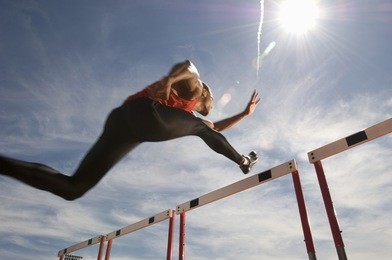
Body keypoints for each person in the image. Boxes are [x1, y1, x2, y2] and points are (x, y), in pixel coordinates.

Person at [0, 60, 260, 201]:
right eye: (209, 106)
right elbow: (190, 67)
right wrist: (170, 80)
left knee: (73, 188)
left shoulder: (186, 115)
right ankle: (243, 160)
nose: (209, 110)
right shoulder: (195, 91)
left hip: (121, 122)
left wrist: (244, 114)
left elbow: (215, 129)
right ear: (206, 95)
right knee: (200, 128)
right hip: (145, 114)